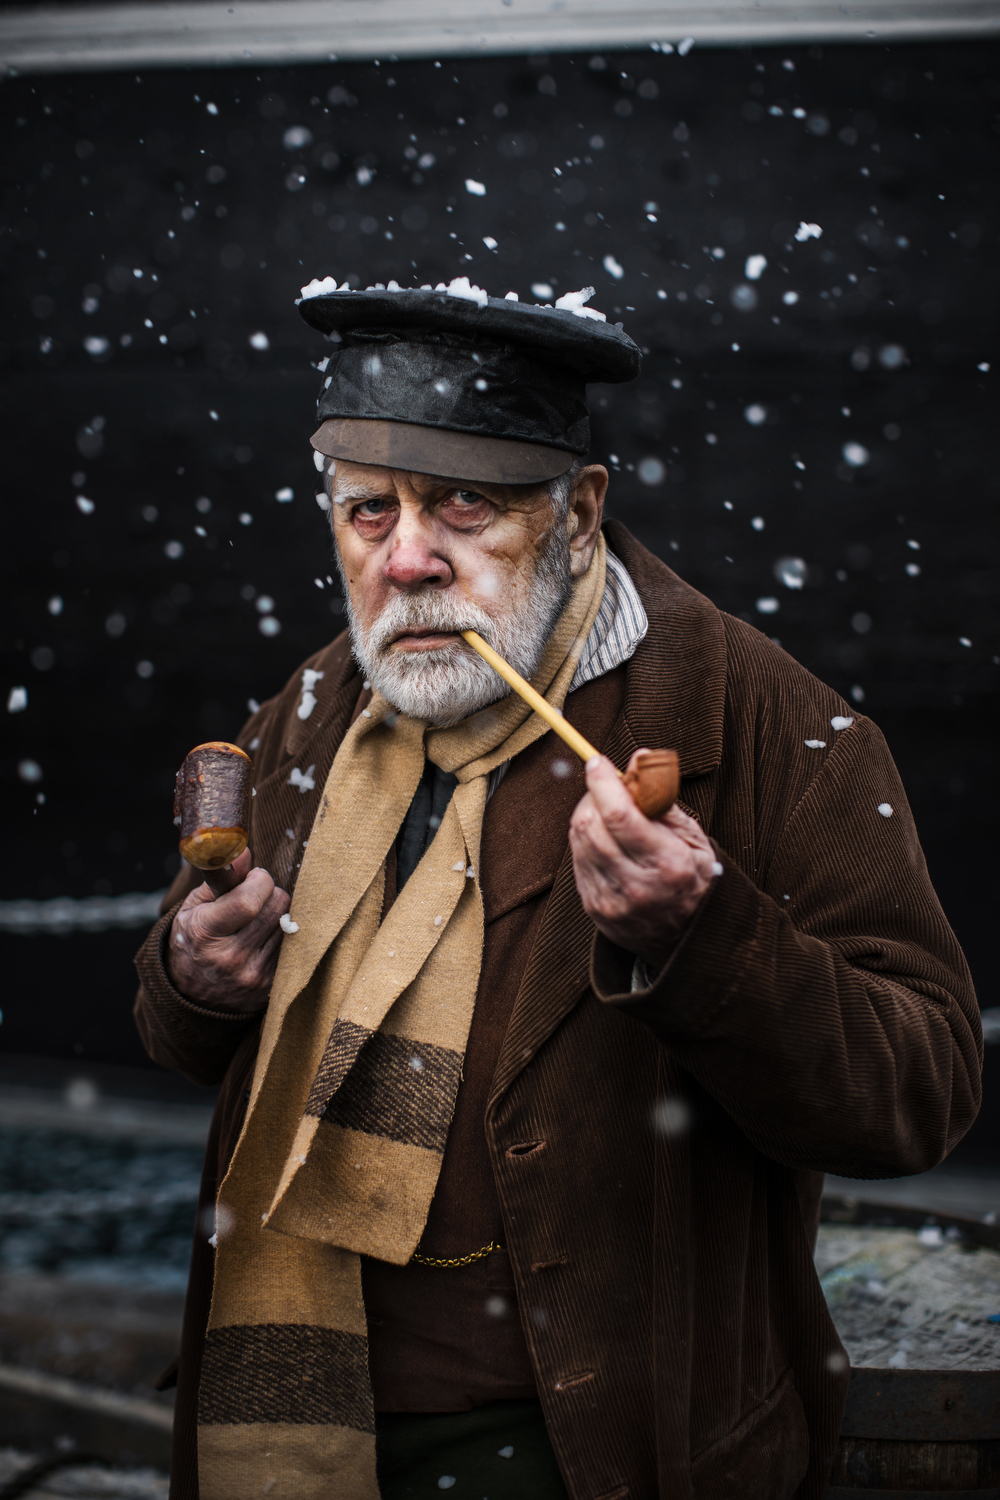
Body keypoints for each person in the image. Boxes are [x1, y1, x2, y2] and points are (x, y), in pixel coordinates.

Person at [135, 278, 981, 1500]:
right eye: (366, 512)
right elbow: (183, 1031)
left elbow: (919, 1095)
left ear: (579, 510)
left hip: (586, 1446)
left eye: (465, 504)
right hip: (296, 1418)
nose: (408, 559)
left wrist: (703, 938)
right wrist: (192, 979)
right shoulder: (311, 719)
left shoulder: (781, 733)